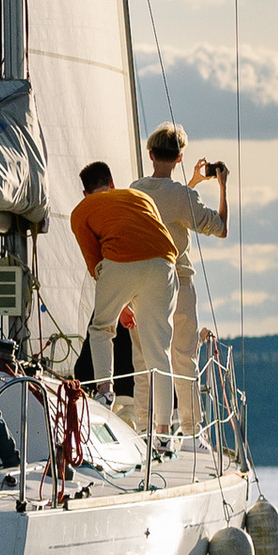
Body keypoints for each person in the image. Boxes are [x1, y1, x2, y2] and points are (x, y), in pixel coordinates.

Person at [132, 125, 227, 434]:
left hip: (141, 285)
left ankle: (145, 429)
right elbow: (220, 227)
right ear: (180, 158)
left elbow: (165, 203)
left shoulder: (135, 191)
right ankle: (190, 430)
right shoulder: (183, 196)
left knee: (144, 360)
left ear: (150, 154)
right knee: (183, 357)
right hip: (178, 281)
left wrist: (193, 184)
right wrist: (222, 185)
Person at [71, 160, 177, 433]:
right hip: (164, 263)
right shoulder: (140, 197)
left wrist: (119, 307)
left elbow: (97, 266)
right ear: (112, 184)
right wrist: (128, 302)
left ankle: (105, 392)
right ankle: (164, 431)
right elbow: (148, 239)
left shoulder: (81, 211)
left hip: (119, 264)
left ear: (85, 193)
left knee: (101, 328)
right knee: (158, 352)